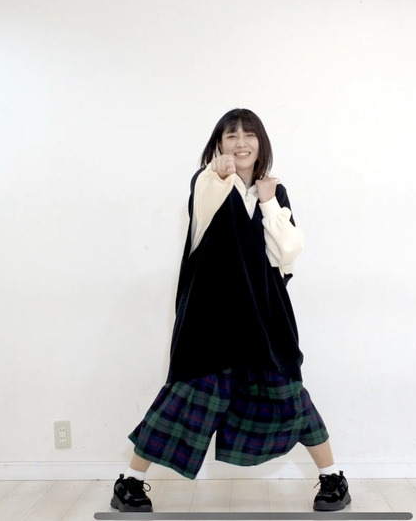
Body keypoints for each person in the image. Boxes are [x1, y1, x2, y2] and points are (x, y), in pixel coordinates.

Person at [111, 108, 351, 513]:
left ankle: (332, 479)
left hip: (265, 317)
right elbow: (205, 207)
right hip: (211, 318)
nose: (241, 143)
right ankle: (129, 483)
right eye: (231, 135)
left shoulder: (274, 191)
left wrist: (269, 202)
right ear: (219, 144)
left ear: (261, 142)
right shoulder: (207, 181)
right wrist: (218, 175)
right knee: (185, 397)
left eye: (248, 134)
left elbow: (287, 254)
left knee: (290, 396)